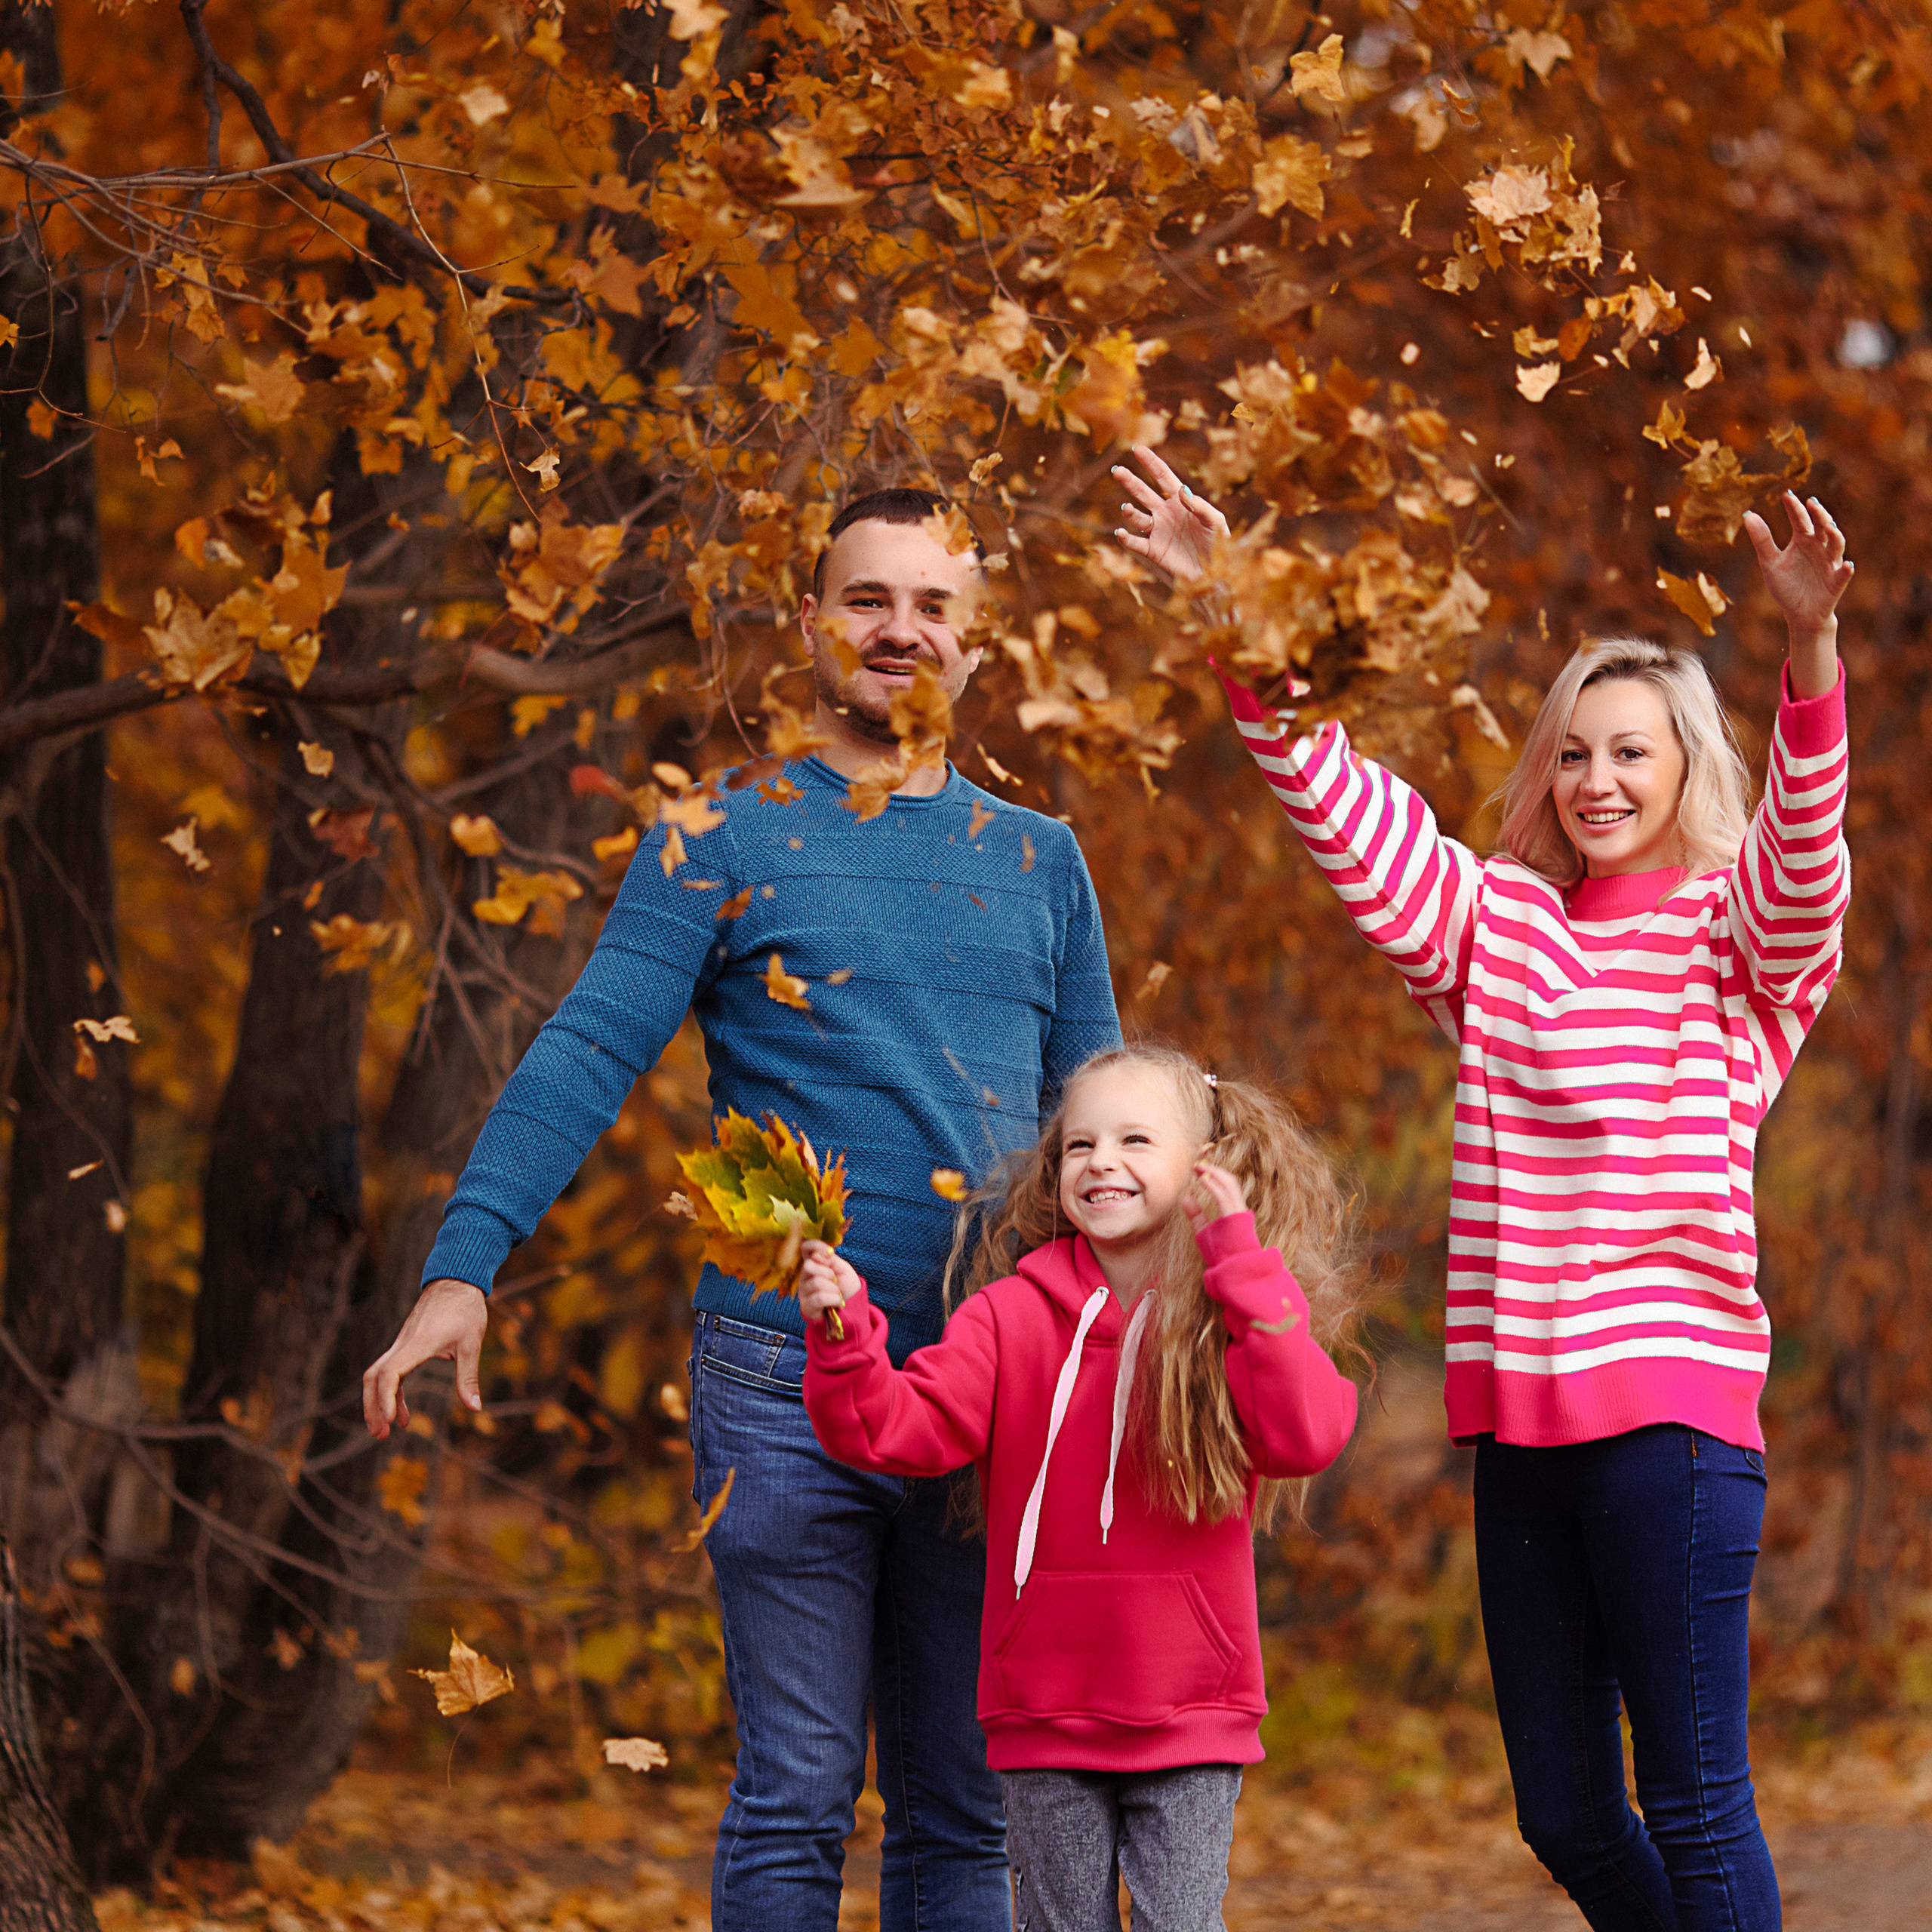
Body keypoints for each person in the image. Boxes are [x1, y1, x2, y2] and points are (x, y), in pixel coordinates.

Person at [362, 487, 1122, 1932]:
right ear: (811, 624)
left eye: (933, 606)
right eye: (867, 600)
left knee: (965, 1811)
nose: (901, 630)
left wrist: (1152, 1345)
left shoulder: (1042, 859)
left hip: (994, 1382)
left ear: (978, 640)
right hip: (782, 1376)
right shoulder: (719, 835)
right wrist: (465, 1265)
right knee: (796, 1795)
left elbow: (1107, 1138)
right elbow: (587, 1050)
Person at [1115, 447, 1853, 1930]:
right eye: (1572, 752)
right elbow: (1340, 806)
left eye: (1631, 751)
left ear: (1684, 769)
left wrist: (1809, 650)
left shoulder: (1735, 946)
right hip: (1519, 1430)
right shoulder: (1496, 928)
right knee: (1567, 1814)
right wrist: (1232, 607)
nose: (1596, 780)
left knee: (1695, 1810)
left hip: (1669, 1428)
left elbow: (1800, 866)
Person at [795, 1044, 1361, 1932]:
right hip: (1044, 1705)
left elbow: (1308, 1434)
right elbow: (894, 1430)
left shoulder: (1233, 1311)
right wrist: (845, 1337)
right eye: (1078, 1144)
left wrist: (1244, 1270)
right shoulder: (1005, 1316)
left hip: (1191, 1705)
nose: (1101, 1161)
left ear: (1202, 1165)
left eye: (1136, 1139)